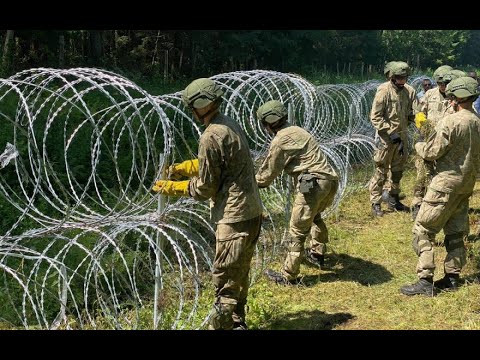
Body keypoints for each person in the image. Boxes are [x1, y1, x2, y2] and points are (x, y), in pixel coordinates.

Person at [152, 78, 263, 330]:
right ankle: (237, 324)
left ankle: (223, 326)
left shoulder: (210, 135)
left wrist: (173, 187)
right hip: (252, 211)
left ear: (200, 106)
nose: (191, 110)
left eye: (192, 105)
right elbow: (219, 163)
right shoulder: (228, 123)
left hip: (233, 217)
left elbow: (205, 188)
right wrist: (184, 168)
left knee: (225, 283)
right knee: (239, 276)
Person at [400, 76, 480, 296]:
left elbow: (433, 152)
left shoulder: (451, 121)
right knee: (455, 233)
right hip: (465, 184)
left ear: (455, 97)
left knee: (422, 230)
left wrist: (417, 145)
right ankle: (453, 277)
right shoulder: (476, 120)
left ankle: (425, 280)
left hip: (444, 183)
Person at [254, 100, 339, 285]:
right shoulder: (298, 130)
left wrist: (251, 183)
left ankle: (288, 275)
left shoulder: (280, 139)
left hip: (313, 184)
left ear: (267, 123)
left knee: (297, 230)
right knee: (315, 216)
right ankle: (317, 253)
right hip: (330, 181)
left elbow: (268, 173)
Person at [411, 66, 460, 220]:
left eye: (445, 84)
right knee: (421, 174)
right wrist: (423, 125)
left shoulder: (457, 97)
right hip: (428, 141)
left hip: (448, 145)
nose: (442, 87)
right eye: (440, 84)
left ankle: (440, 206)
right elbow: (419, 113)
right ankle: (417, 203)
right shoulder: (429, 95)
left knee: (442, 177)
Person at [369, 61, 416, 217]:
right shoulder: (384, 91)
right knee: (381, 171)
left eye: (405, 77)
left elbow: (411, 112)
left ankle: (393, 199)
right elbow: (375, 117)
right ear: (392, 77)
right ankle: (375, 202)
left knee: (397, 171)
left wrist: (415, 119)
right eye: (399, 78)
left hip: (401, 138)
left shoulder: (409, 91)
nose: (403, 81)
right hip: (385, 140)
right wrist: (390, 132)